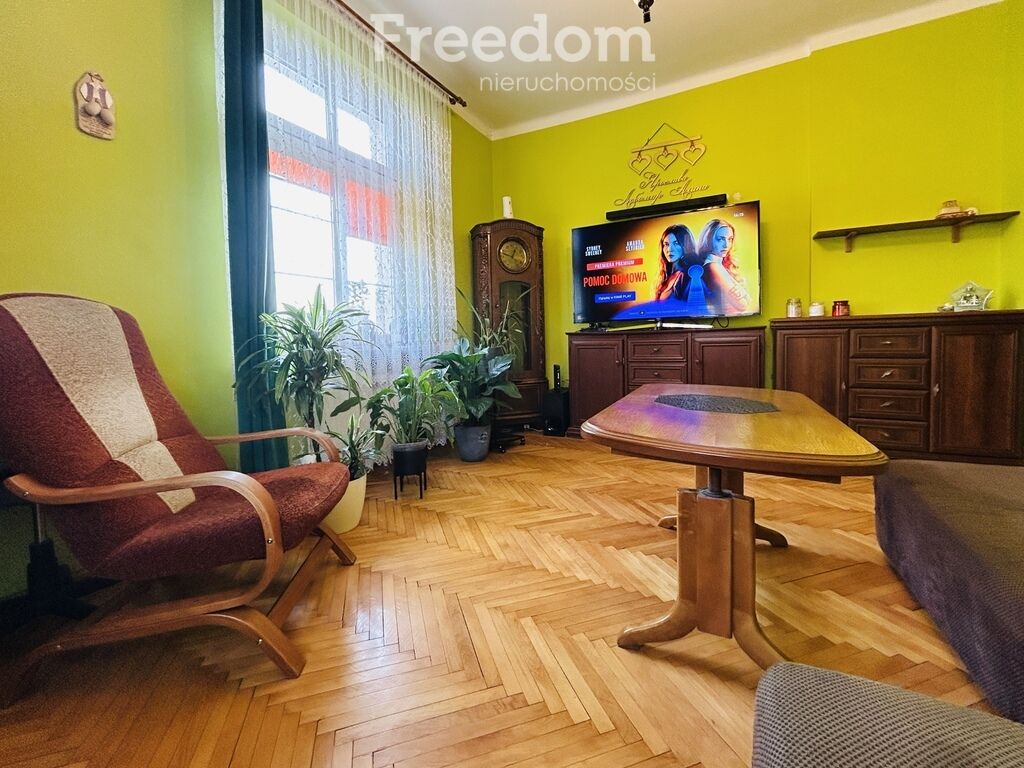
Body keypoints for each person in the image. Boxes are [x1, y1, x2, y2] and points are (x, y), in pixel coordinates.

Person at [697, 219, 751, 313]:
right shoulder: (713, 266)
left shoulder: (717, 264)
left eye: (730, 239)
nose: (726, 245)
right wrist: (743, 293)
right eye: (720, 239)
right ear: (708, 240)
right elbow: (742, 305)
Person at [653, 225, 699, 301]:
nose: (669, 249)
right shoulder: (664, 276)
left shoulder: (686, 275)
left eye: (676, 243)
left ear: (686, 246)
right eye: (666, 244)